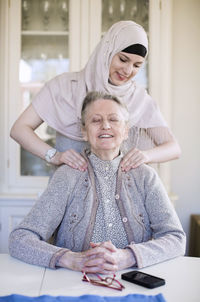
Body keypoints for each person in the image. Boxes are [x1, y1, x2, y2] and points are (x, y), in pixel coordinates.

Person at [9, 92, 186, 274]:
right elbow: (20, 239)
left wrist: (128, 256)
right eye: (95, 120)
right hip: (71, 283)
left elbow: (175, 239)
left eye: (114, 119)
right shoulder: (67, 176)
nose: (105, 126)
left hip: (133, 284)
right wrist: (69, 258)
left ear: (126, 131)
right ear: (84, 132)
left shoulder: (146, 176)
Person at [10, 21, 181, 173]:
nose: (128, 71)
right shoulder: (62, 87)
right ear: (107, 51)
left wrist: (145, 155)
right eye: (123, 59)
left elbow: (173, 148)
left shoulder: (139, 99)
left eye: (137, 65)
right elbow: (19, 129)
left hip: (117, 203)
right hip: (69, 197)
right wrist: (54, 156)